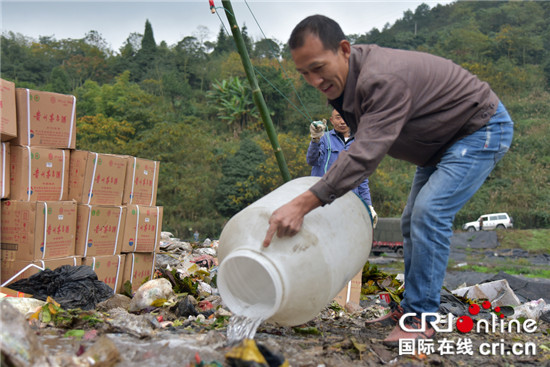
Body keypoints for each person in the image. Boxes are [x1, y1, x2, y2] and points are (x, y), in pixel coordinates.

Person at [262, 15, 514, 346]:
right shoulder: (343, 83)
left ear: (344, 49)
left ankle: (421, 319)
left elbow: (364, 155)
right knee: (412, 219)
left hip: (478, 128)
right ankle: (410, 309)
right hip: (438, 144)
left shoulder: (381, 78)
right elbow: (358, 148)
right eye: (304, 73)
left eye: (318, 67)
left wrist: (302, 204)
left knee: (430, 213)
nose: (313, 80)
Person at [307, 109, 377, 226]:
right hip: (322, 201)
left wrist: (368, 205)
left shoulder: (360, 142)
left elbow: (362, 180)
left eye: (345, 117)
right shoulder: (324, 138)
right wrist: (315, 140)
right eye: (338, 117)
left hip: (349, 203)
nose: (342, 121)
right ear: (331, 120)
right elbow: (311, 160)